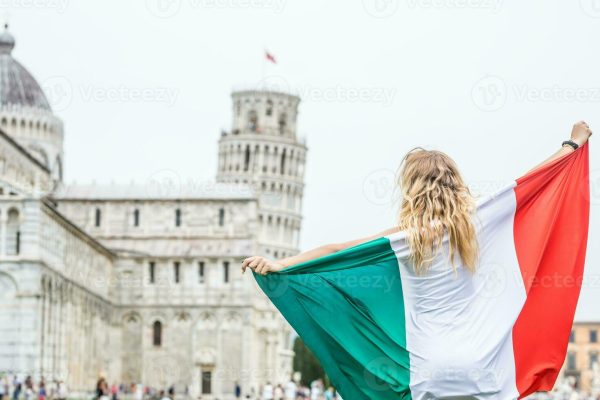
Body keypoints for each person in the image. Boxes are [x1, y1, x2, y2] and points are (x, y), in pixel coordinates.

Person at [242, 121, 593, 397]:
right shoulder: (478, 221)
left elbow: (336, 252)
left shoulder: (404, 239)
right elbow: (534, 181)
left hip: (430, 371)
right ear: (455, 183)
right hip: (482, 366)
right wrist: (572, 144)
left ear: (412, 189)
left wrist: (280, 265)